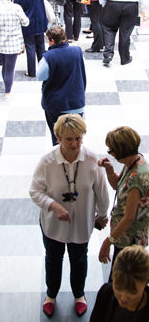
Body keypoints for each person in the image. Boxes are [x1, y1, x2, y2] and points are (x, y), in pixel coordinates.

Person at [30, 113, 111, 317]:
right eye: (69, 139)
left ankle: (79, 295)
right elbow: (35, 191)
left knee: (79, 260)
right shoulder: (47, 162)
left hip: (81, 223)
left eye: (78, 139)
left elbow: (102, 191)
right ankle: (51, 294)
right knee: (53, 260)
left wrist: (102, 215)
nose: (75, 144)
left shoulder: (92, 160)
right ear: (58, 137)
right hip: (53, 225)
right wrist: (54, 206)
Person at [99, 127, 149, 264]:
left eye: (111, 150)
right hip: (123, 235)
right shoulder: (134, 161)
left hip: (129, 239)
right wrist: (109, 170)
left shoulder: (136, 178)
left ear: (121, 151)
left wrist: (108, 242)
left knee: (121, 281)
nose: (111, 154)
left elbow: (129, 218)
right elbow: (117, 185)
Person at [39, 26, 87, 145]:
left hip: (56, 106)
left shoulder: (49, 57)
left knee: (58, 138)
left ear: (52, 41)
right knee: (76, 137)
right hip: (77, 102)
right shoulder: (77, 51)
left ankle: (61, 162)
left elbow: (40, 76)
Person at [90, 245, 149, 322]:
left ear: (146, 282)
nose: (123, 298)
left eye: (132, 292)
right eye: (118, 288)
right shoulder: (106, 293)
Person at [0, 0, 29, 93]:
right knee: (10, 68)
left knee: (4, 67)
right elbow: (26, 22)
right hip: (13, 43)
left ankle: (6, 87)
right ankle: (8, 90)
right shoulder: (16, 8)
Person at [12, 0, 50, 77]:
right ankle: (43, 70)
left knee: (30, 47)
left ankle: (32, 71)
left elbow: (18, 10)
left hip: (28, 23)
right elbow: (45, 0)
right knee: (41, 46)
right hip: (41, 21)